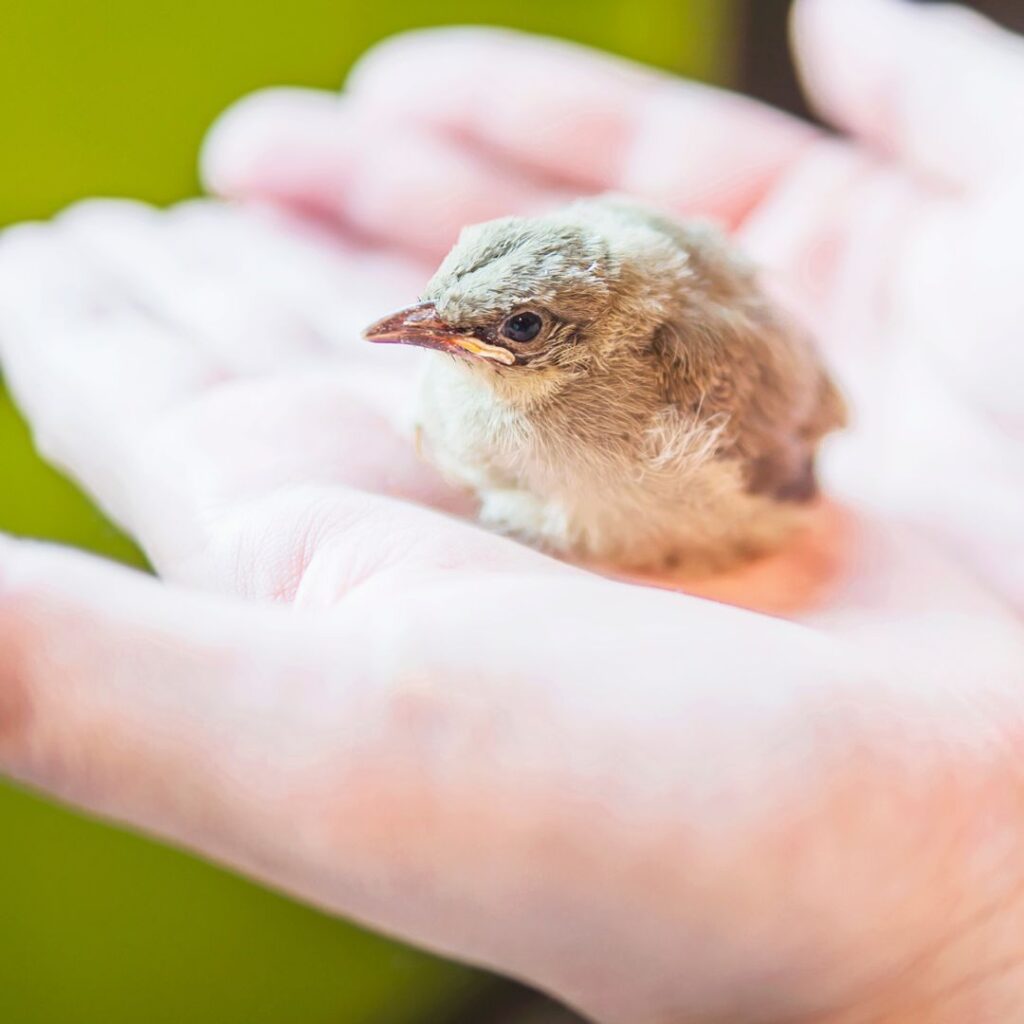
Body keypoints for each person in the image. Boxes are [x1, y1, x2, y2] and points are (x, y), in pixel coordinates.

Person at [1, 0, 1022, 1019]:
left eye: (517, 330)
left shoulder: (677, 377)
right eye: (441, 308)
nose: (434, 337)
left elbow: (783, 469)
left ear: (586, 336)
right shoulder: (477, 370)